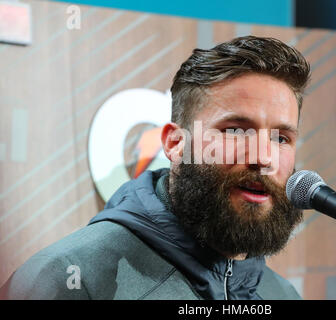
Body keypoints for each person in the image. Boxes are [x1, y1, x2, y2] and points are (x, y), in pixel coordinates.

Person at [0, 35, 310, 300]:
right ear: (175, 143)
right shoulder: (66, 279)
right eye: (233, 131)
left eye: (280, 138)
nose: (264, 158)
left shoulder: (281, 293)